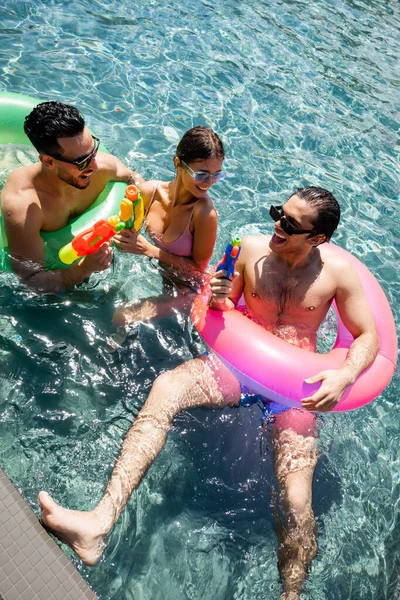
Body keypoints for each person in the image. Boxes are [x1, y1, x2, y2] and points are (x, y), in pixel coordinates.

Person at [39, 187, 379, 599]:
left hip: (296, 390)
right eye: (277, 213)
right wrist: (218, 299)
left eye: (290, 224)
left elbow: (367, 337)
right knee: (165, 389)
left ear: (317, 238)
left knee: (298, 499)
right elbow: (217, 312)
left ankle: (291, 594)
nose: (277, 225)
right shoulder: (252, 251)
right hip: (239, 368)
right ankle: (98, 522)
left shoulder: (338, 275)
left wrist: (343, 376)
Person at [0, 101, 138, 293]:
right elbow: (30, 281)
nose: (95, 166)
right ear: (48, 161)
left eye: (94, 151)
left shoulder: (102, 167)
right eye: (82, 162)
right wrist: (83, 269)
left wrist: (136, 220)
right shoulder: (23, 205)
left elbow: (133, 178)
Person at [110, 126, 223, 333]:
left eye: (216, 175)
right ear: (178, 163)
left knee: (122, 317)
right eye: (202, 174)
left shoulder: (204, 214)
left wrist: (151, 251)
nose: (209, 183)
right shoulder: (149, 193)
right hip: (161, 279)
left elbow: (198, 272)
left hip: (187, 292)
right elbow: (127, 226)